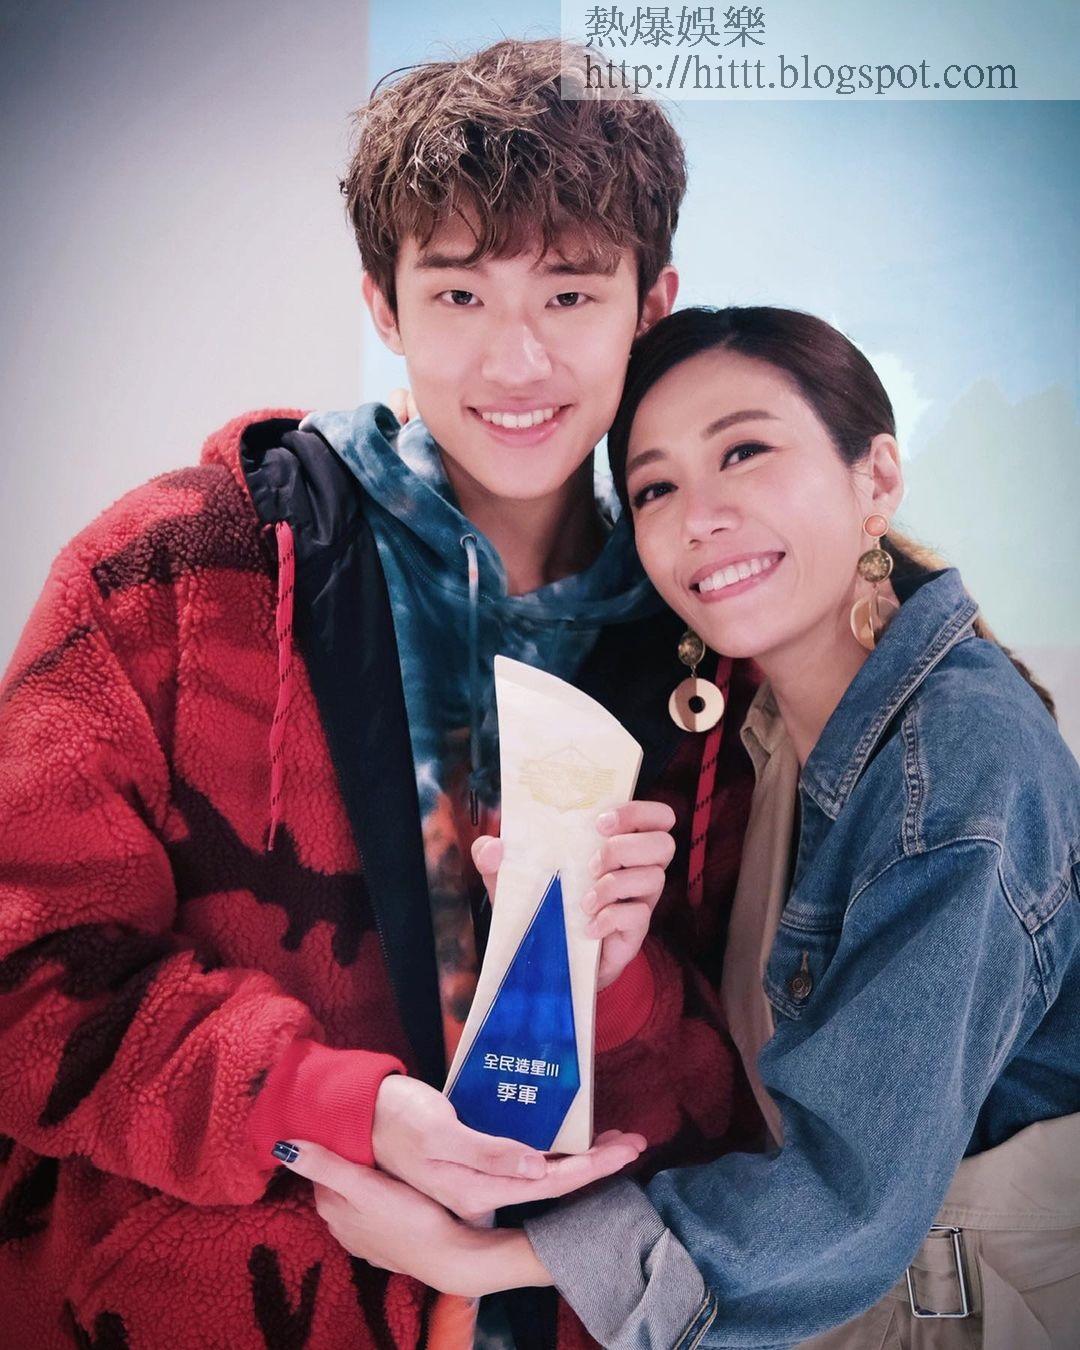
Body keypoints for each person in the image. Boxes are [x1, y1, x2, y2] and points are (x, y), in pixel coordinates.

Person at [0, 44, 763, 1350]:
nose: (517, 359)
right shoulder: (176, 570)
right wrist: (335, 1107)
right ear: (384, 305)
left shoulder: (707, 653)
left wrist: (622, 988)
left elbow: (724, 1109)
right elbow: (24, 976)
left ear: (651, 305)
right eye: (460, 291)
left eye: (570, 292)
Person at [287, 307, 1080, 1349]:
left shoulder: (959, 765)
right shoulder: (769, 728)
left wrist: (476, 1261)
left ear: (876, 478)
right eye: (655, 488)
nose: (699, 517)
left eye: (744, 452)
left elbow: (848, 1191)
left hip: (954, 1309)